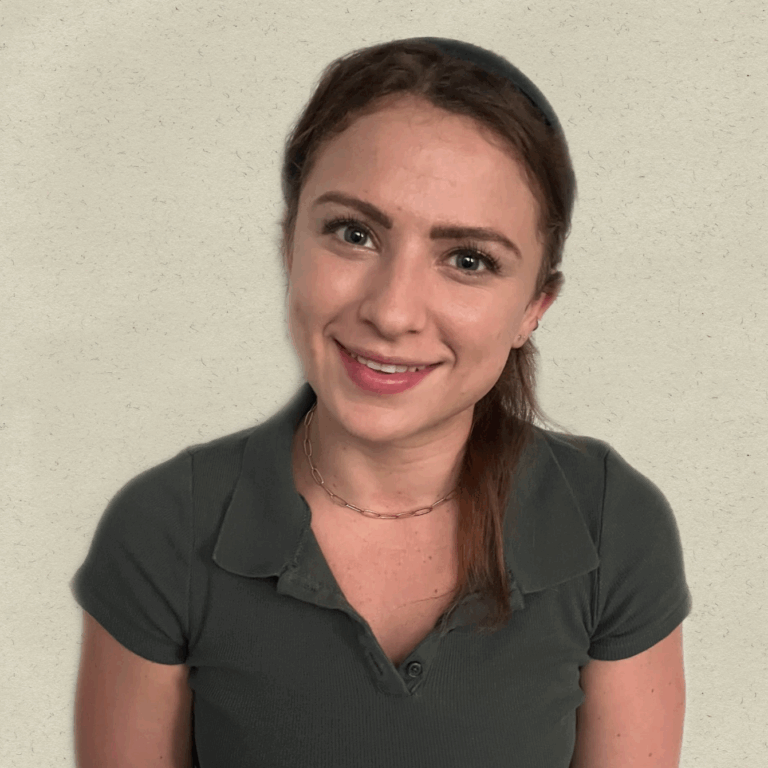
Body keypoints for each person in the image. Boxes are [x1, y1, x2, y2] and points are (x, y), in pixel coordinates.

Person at [70, 37, 692, 768]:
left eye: (468, 260)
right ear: (289, 246)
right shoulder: (165, 529)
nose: (393, 313)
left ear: (534, 307)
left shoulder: (611, 524)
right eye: (354, 233)